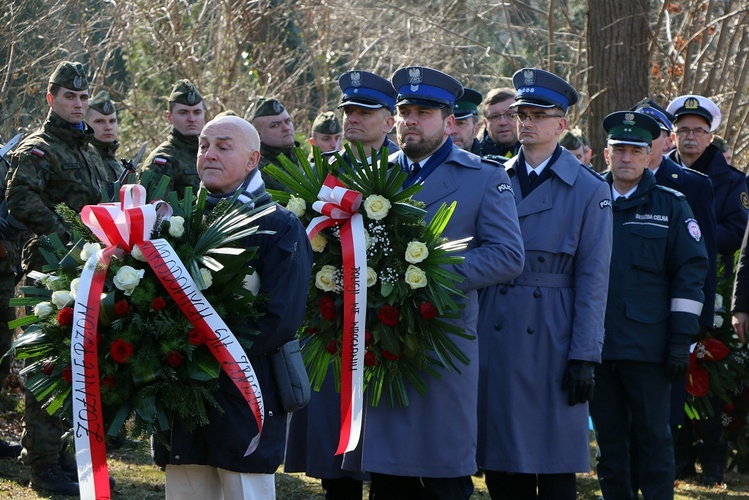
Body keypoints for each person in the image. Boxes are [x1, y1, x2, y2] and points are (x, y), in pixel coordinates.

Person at [340, 66, 525, 500]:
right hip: (383, 340)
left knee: (444, 475)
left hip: (443, 339)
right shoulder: (373, 176)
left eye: (424, 112)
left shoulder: (484, 177)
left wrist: (427, 276)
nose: (411, 121)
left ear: (450, 121)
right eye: (405, 111)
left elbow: (508, 256)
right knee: (387, 478)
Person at [476, 68, 613, 499]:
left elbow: (594, 281)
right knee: (501, 463)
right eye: (521, 113)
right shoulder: (492, 178)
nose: (526, 122)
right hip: (495, 324)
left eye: (538, 114)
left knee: (553, 467)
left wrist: (585, 357)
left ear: (563, 123)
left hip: (553, 333)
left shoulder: (590, 190)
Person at [165, 114, 312, 499]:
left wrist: (208, 350)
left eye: (223, 147)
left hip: (246, 391)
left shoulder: (279, 225)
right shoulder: (180, 222)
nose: (209, 154)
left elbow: (280, 317)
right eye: (204, 146)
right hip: (184, 391)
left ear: (252, 160)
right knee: (187, 487)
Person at [284, 68, 400, 500]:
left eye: (365, 111)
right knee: (335, 455)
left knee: (387, 454)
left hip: (387, 322)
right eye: (348, 110)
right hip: (330, 324)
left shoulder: (407, 172)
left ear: (390, 120)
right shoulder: (323, 174)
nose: (353, 118)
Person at [6, 60, 112, 495]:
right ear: (51, 98)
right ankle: (43, 463)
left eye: (84, 97)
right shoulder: (39, 148)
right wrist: (62, 234)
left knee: (80, 366)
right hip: (49, 272)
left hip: (91, 271)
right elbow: (18, 199)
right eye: (70, 96)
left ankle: (65, 453)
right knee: (47, 367)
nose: (78, 103)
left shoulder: (89, 150)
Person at [590, 111, 708, 499]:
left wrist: (680, 341)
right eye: (619, 149)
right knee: (610, 447)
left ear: (649, 154)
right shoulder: (588, 200)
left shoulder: (671, 206)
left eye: (634, 150)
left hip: (649, 350)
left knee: (655, 442)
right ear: (606, 154)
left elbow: (690, 274)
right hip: (596, 347)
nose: (626, 158)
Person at [666, 95, 748, 268]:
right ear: (673, 137)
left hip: (710, 270)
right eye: (684, 130)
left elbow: (738, 231)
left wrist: (690, 234)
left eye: (698, 131)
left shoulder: (732, 181)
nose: (691, 136)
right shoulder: (657, 174)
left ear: (710, 138)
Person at [140, 79, 205, 195]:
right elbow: (156, 209)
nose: (192, 119)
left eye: (197, 112)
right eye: (183, 113)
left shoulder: (210, 155)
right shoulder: (162, 160)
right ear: (169, 117)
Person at [335, 70, 399, 163]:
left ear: (388, 124)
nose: (352, 119)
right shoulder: (325, 169)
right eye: (348, 112)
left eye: (364, 113)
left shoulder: (404, 170)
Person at [251, 97, 299, 192]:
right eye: (275, 125)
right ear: (258, 135)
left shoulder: (302, 161)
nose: (286, 128)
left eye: (287, 121)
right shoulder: (257, 173)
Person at [86, 90, 124, 183]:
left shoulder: (120, 167)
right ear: (86, 124)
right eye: (99, 121)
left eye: (112, 121)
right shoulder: (84, 161)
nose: (108, 127)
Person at [478, 87, 520, 159]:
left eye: (510, 115)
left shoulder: (539, 154)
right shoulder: (474, 158)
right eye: (495, 117)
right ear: (485, 123)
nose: (503, 122)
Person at [451, 88, 483, 154]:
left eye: (461, 123)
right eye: (448, 124)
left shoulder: (490, 164)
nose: (453, 131)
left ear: (476, 129)